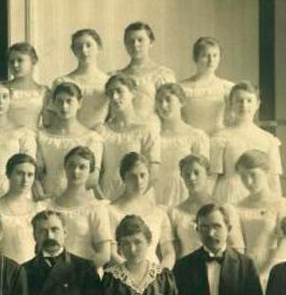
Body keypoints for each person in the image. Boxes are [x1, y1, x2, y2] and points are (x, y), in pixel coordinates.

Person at [211, 81, 283, 204]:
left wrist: (276, 206)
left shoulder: (268, 139)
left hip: (258, 196)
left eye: (249, 100)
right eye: (239, 101)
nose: (244, 105)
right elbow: (212, 177)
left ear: (257, 104)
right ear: (231, 105)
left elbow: (273, 179)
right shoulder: (220, 137)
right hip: (228, 195)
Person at [234, 150, 286, 287]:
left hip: (276, 268)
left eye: (253, 175)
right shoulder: (236, 208)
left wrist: (264, 274)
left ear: (266, 172)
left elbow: (284, 244)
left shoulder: (284, 205)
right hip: (244, 269)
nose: (248, 182)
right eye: (243, 177)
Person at [45, 146, 113, 267]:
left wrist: (80, 274)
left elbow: (104, 254)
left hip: (83, 277)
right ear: (65, 168)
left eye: (82, 167)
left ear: (90, 171)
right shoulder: (49, 206)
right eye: (71, 166)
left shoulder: (96, 208)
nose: (76, 171)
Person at [97, 73, 161, 201]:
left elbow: (154, 170)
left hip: (139, 192)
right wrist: (103, 200)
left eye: (119, 91)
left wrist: (136, 198)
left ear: (132, 93)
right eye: (110, 93)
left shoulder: (146, 129)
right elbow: (97, 172)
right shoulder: (101, 130)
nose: (115, 97)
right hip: (109, 192)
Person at [107, 152, 175, 269]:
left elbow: (169, 252)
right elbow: (112, 253)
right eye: (133, 176)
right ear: (123, 178)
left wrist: (160, 275)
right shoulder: (110, 211)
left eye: (143, 175)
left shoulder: (159, 212)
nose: (139, 181)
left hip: (154, 277)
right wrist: (134, 276)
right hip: (122, 276)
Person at [169, 154, 245, 259]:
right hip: (187, 271)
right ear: (182, 177)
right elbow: (172, 252)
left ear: (207, 175)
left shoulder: (226, 209)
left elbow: (237, 248)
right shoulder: (175, 213)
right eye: (186, 174)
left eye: (196, 173)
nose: (192, 178)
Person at [36, 81, 103, 199]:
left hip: (80, 199)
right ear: (53, 103)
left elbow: (92, 179)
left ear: (79, 103)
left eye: (69, 101)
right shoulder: (43, 137)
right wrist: (42, 195)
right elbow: (37, 174)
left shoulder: (91, 138)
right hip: (50, 197)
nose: (64, 107)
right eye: (59, 101)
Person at [154, 83, 210, 207]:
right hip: (156, 190)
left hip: (184, 190)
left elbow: (202, 175)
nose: (163, 105)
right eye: (159, 101)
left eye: (168, 100)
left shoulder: (196, 136)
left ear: (181, 102)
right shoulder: (153, 136)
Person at [112, 21, 178, 121]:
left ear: (151, 42)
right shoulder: (116, 76)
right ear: (125, 45)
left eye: (140, 40)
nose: (135, 45)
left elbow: (170, 111)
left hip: (152, 131)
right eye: (130, 41)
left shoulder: (162, 75)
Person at [48, 28, 110, 129]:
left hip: (99, 136)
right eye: (79, 47)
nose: (84, 50)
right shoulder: (62, 81)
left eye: (88, 45)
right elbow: (52, 117)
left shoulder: (107, 81)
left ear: (99, 47)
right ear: (73, 51)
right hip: (70, 137)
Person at [0, 153, 45, 264]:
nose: (25, 180)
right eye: (20, 174)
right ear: (8, 174)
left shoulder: (39, 209)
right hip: (5, 272)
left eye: (30, 175)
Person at [178, 37, 236, 134]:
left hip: (219, 139)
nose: (211, 60)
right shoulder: (181, 88)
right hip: (191, 139)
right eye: (205, 56)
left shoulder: (228, 87)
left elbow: (234, 121)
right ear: (195, 58)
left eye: (215, 55)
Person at [5, 42, 49, 134]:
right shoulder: (2, 89)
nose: (15, 65)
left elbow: (48, 124)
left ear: (33, 61)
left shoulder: (43, 92)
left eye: (20, 60)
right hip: (7, 140)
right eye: (11, 61)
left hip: (32, 140)